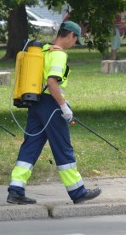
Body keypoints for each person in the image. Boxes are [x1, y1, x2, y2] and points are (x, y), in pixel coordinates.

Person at [7, 21, 102, 205]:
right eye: (76, 40)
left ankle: (16, 189)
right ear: (70, 36)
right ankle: (78, 191)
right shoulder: (58, 54)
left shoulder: (42, 50)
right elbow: (52, 83)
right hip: (51, 105)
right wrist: (64, 106)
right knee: (63, 147)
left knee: (30, 147)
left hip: (35, 103)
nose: (75, 44)